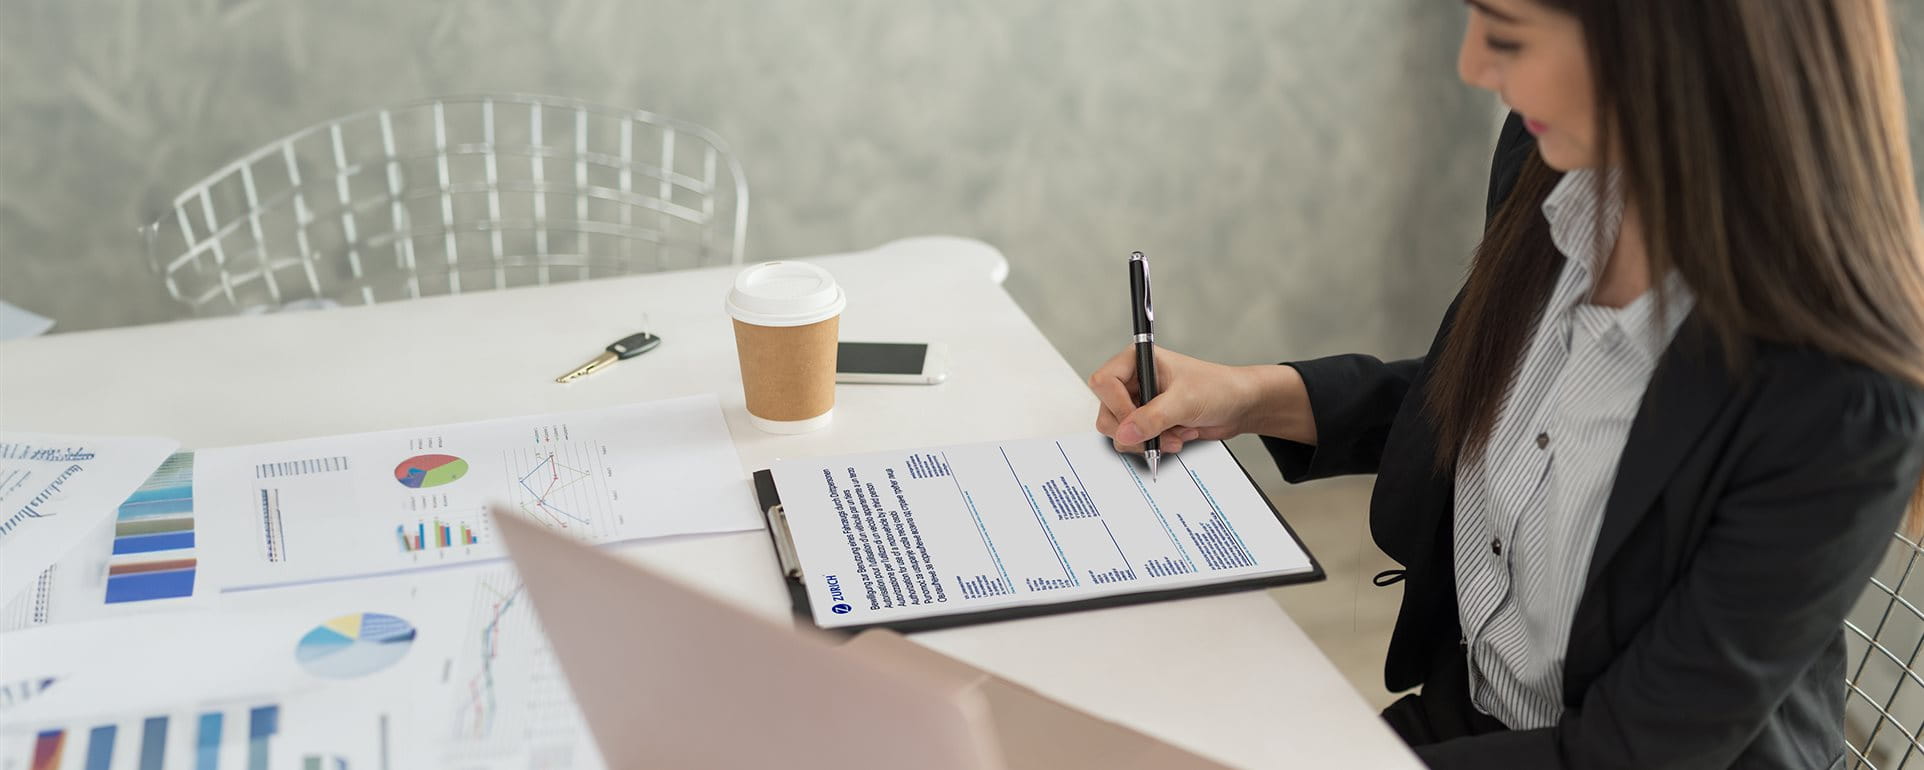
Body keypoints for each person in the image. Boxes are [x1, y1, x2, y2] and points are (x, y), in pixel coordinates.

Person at [1089, 0, 1924, 767]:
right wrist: (1246, 396)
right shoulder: (1553, 161)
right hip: (1466, 731)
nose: (1471, 66)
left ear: (1666, 46)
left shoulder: (1846, 405)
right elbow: (1502, 404)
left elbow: (1626, 754)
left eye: (1508, 33)